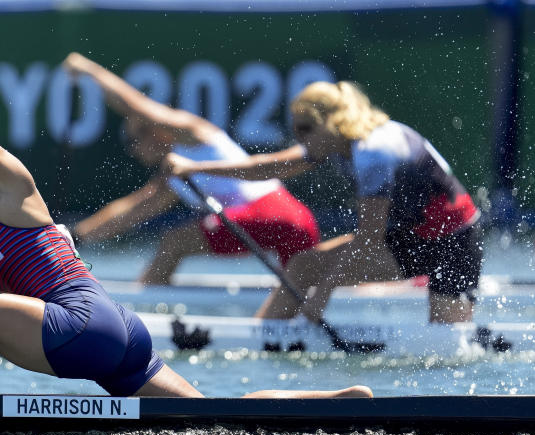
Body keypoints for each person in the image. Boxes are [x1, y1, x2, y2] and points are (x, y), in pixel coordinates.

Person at [0, 13, 372, 400]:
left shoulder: (11, 190)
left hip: (81, 325)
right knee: (209, 415)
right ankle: (322, 403)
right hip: (120, 336)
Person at [163, 81, 481, 324]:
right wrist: (194, 167)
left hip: (454, 244)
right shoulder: (341, 140)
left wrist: (321, 297)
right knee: (302, 265)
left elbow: (369, 239)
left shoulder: (373, 151)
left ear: (329, 123)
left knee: (448, 349)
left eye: (303, 129)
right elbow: (268, 166)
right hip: (409, 237)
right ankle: (262, 335)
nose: (298, 138)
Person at [61, 53, 320, 284]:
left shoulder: (191, 133)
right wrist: (74, 237)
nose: (132, 150)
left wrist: (88, 70)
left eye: (133, 141)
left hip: (271, 212)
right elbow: (131, 211)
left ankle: (143, 317)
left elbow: (134, 106)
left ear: (155, 131)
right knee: (300, 303)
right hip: (296, 221)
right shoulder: (173, 177)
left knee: (173, 243)